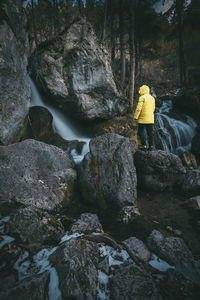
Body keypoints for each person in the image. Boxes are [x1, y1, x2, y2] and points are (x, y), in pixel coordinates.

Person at [134, 85, 155, 151]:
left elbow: (138, 109)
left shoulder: (142, 97)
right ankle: (151, 146)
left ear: (142, 90)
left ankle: (144, 145)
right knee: (150, 133)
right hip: (151, 119)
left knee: (140, 132)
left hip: (143, 118)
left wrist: (135, 117)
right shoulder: (152, 98)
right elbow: (153, 109)